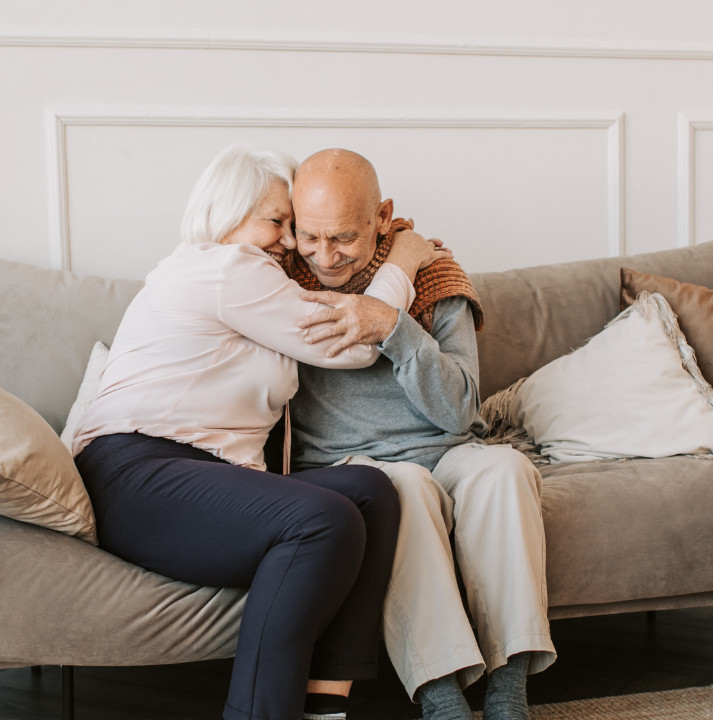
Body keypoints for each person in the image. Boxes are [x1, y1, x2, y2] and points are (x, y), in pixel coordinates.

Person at [71, 145, 448, 720]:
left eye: (292, 226)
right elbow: (349, 344)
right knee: (322, 519)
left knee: (372, 492)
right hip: (139, 474)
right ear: (228, 214)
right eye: (277, 222)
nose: (291, 242)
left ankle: (325, 709)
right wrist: (403, 257)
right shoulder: (230, 268)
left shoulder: (239, 278)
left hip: (193, 475)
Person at [284, 149, 556, 720]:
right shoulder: (278, 282)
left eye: (343, 237)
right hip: (350, 465)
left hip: (448, 448)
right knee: (401, 487)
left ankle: (508, 692)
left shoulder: (435, 276)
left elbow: (460, 410)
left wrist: (395, 327)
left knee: (505, 468)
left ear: (382, 216)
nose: (324, 257)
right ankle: (443, 700)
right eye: (310, 236)